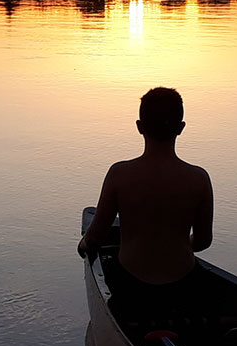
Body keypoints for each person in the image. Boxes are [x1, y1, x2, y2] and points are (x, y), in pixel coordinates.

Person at [78, 87, 215, 315]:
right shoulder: (199, 179)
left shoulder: (119, 174)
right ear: (181, 129)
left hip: (130, 283)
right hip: (183, 281)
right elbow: (202, 241)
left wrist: (82, 247)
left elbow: (96, 236)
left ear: (139, 127)